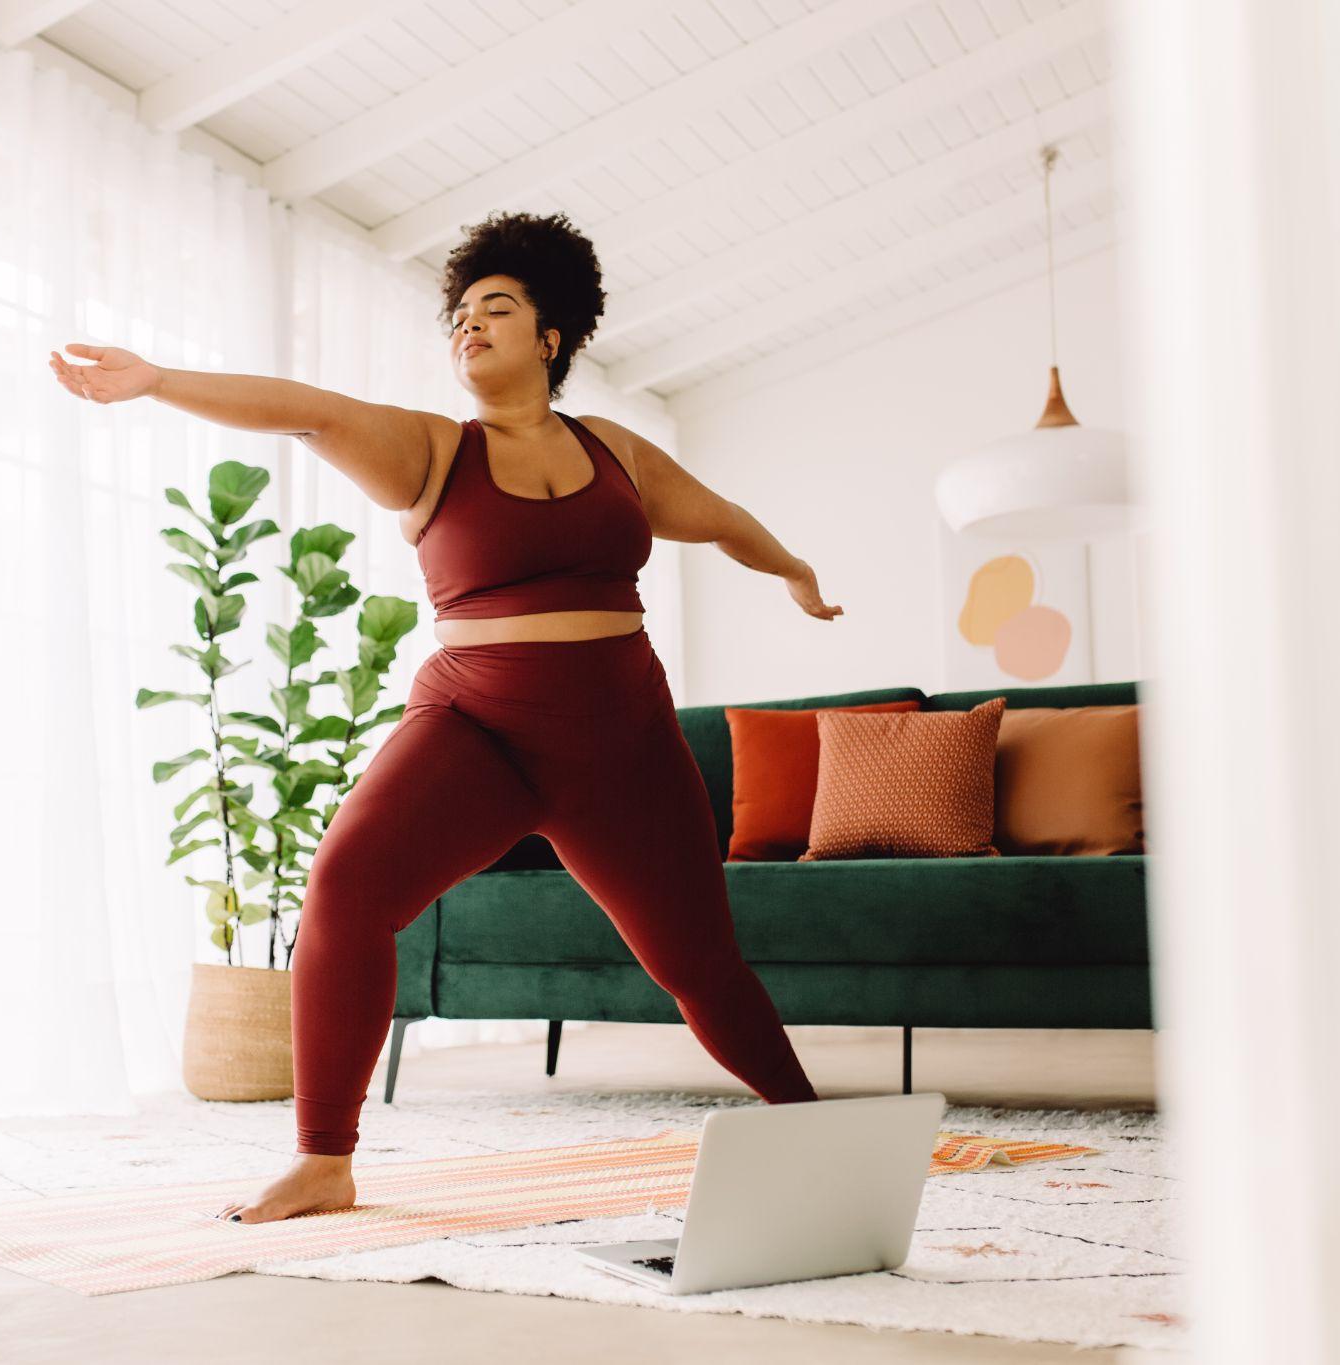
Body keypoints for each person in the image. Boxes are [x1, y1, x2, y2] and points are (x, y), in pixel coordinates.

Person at [48, 209, 842, 1224]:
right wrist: (159, 380)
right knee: (341, 885)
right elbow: (309, 410)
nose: (467, 325)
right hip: (479, 731)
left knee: (696, 962)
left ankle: (809, 1125)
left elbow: (720, 519)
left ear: (550, 337)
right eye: (459, 313)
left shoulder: (617, 454)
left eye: (494, 308)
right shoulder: (430, 452)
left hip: (624, 744)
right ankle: (323, 1159)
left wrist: (794, 572)